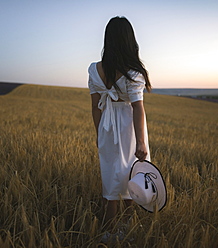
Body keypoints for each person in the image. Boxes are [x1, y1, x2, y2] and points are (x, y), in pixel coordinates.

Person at [87, 16, 152, 242]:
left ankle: (110, 230)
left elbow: (96, 107)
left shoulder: (95, 70)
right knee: (130, 174)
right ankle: (127, 226)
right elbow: (137, 108)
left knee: (110, 175)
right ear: (129, 40)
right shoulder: (133, 73)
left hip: (106, 125)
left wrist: (99, 134)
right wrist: (142, 142)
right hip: (128, 128)